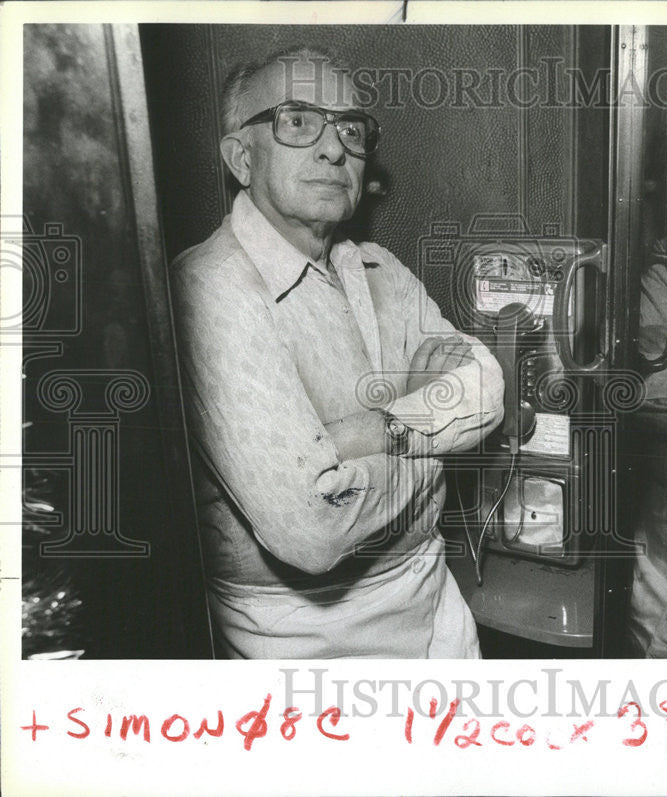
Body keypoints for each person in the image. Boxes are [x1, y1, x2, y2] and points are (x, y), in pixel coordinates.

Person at [170, 47, 504, 658]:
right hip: (306, 642)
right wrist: (437, 433)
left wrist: (355, 439)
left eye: (350, 128)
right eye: (297, 121)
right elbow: (312, 530)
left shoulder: (379, 267)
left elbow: (487, 385)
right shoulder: (205, 290)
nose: (333, 149)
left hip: (438, 610)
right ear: (241, 157)